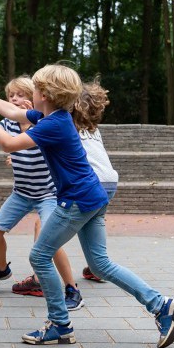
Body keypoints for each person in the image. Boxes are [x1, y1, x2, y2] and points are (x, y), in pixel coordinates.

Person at [0, 65, 174, 348]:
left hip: (76, 200)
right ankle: (162, 305)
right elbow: (14, 113)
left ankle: (60, 325)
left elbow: (8, 144)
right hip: (93, 196)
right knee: (100, 264)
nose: (31, 94)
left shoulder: (52, 124)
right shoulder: (54, 116)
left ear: (45, 95)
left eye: (35, 89)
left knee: (39, 256)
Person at [0, 75, 82, 311]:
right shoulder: (8, 123)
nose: (15, 99)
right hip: (22, 192)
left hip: (47, 193)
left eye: (21, 94)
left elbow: (18, 143)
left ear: (36, 98)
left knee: (49, 238)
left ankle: (71, 288)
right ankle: (1, 269)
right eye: (11, 95)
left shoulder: (43, 123)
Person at [72, 81, 119, 284]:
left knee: (50, 229)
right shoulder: (93, 128)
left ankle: (41, 275)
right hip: (109, 181)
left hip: (91, 183)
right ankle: (97, 267)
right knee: (92, 222)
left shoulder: (67, 126)